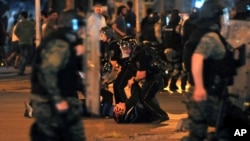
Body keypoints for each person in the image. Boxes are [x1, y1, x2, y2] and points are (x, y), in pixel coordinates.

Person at [182, 0, 249, 140]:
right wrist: (200, 88)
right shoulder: (211, 37)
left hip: (197, 95)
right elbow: (197, 58)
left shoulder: (198, 33)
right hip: (210, 96)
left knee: (197, 135)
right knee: (240, 129)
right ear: (216, 17)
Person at [30, 10, 86, 141]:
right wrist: (58, 100)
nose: (83, 30)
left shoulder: (68, 42)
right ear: (73, 26)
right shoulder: (59, 44)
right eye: (81, 26)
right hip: (48, 102)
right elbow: (48, 71)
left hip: (59, 98)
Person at [114, 38, 169, 124]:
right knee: (146, 96)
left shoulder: (141, 54)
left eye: (126, 48)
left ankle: (161, 115)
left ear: (132, 46)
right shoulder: (138, 53)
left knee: (145, 97)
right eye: (123, 48)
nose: (125, 51)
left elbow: (141, 75)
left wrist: (133, 80)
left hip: (157, 77)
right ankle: (153, 115)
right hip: (155, 76)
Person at [112, 36, 136, 104]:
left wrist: (133, 78)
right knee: (117, 86)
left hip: (131, 68)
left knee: (118, 86)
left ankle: (124, 105)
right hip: (127, 67)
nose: (124, 50)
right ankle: (120, 104)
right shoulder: (125, 52)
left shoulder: (137, 53)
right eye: (123, 48)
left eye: (126, 48)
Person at [15, 11, 35, 75]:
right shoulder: (31, 24)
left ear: (22, 16)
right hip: (28, 42)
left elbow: (15, 32)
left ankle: (21, 69)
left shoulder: (19, 24)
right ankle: (21, 70)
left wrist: (20, 36)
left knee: (24, 56)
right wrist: (30, 36)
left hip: (21, 42)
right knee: (27, 56)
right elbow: (33, 32)